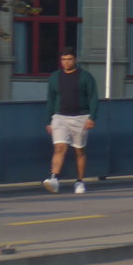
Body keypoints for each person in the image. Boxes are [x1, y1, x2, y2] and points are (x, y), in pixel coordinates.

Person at [43, 48, 99, 193]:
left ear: (75, 60)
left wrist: (92, 117)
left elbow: (93, 97)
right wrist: (48, 120)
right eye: (63, 59)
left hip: (81, 117)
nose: (66, 62)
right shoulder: (55, 77)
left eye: (69, 59)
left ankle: (79, 181)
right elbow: (51, 99)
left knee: (79, 150)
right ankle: (54, 178)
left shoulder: (85, 76)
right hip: (60, 117)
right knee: (59, 147)